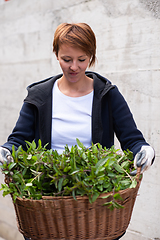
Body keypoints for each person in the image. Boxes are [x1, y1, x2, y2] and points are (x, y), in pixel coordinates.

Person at [0, 23, 155, 240]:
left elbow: (132, 139)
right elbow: (18, 139)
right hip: (48, 198)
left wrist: (144, 150)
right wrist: (6, 151)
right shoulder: (39, 96)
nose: (74, 67)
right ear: (56, 54)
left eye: (81, 59)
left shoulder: (107, 95)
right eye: (67, 59)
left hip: (94, 201)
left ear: (91, 57)